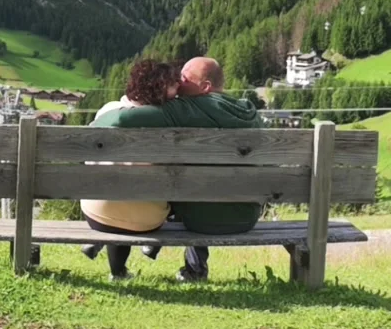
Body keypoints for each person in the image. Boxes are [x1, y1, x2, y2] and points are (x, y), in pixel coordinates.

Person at [93, 57, 263, 282]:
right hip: (247, 217)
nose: (178, 82)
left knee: (176, 183)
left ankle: (113, 248)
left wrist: (94, 125)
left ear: (205, 88)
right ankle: (194, 269)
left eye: (185, 77)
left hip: (201, 220)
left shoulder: (186, 109)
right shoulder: (250, 112)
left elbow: (122, 119)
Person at [80, 59, 181, 280]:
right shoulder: (167, 122)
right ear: (161, 88)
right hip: (146, 222)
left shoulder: (107, 110)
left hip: (96, 214)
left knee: (116, 193)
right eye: (175, 85)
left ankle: (117, 270)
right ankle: (151, 247)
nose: (178, 90)